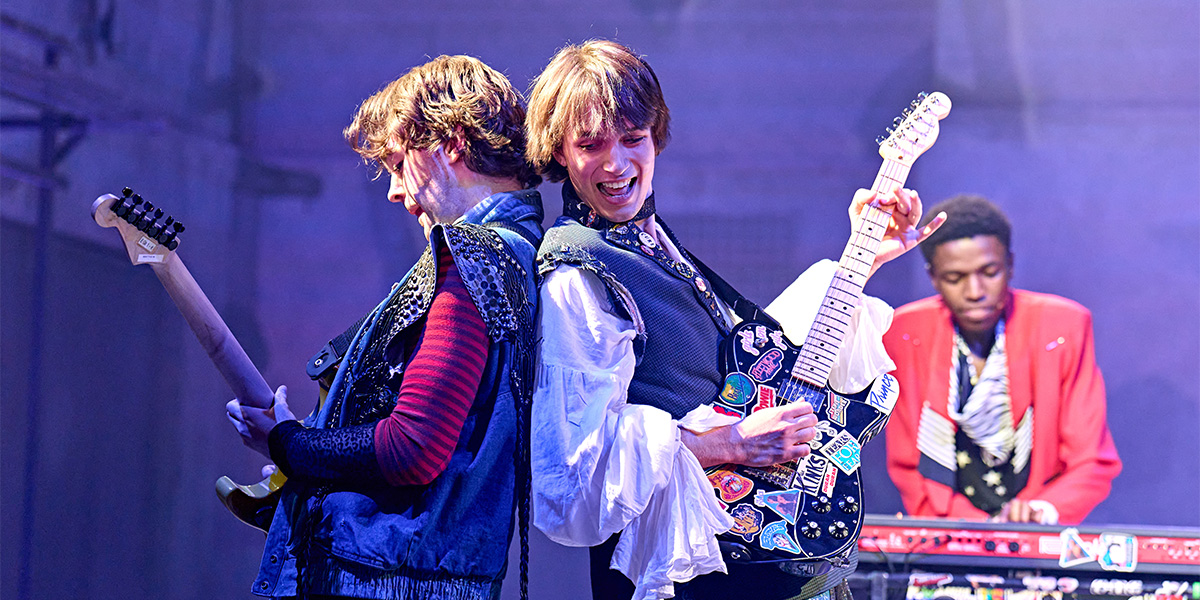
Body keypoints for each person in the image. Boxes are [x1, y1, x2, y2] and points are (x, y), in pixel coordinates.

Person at [525, 39, 942, 600]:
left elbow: (752, 361)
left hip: (746, 558)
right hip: (681, 570)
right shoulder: (577, 272)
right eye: (590, 145)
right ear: (559, 153)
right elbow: (576, 475)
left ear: (656, 138)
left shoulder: (645, 241)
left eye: (633, 139)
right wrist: (732, 445)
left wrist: (863, 255)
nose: (617, 163)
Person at [224, 55, 544, 599]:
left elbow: (411, 448)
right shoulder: (520, 257)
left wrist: (288, 443)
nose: (395, 191)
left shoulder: (475, 259)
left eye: (399, 163)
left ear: (452, 145)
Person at [883, 194, 1121, 525]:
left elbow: (1091, 458)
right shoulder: (905, 332)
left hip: (1038, 530)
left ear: (1010, 264)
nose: (975, 290)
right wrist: (973, 530)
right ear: (933, 277)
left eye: (989, 272)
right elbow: (908, 463)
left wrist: (1041, 512)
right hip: (945, 531)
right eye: (955, 278)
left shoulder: (1062, 325)